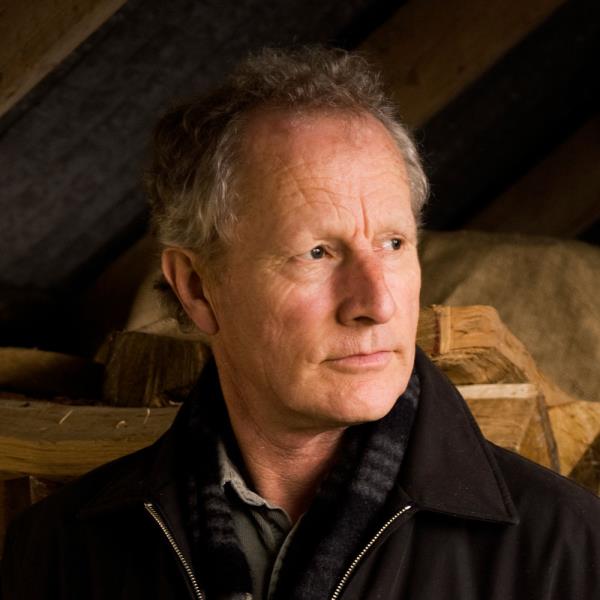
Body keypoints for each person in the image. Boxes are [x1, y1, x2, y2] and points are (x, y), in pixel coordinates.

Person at [2, 46, 600, 600]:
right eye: (317, 253)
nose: (377, 303)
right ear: (197, 287)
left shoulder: (567, 549)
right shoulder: (57, 554)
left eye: (393, 243)